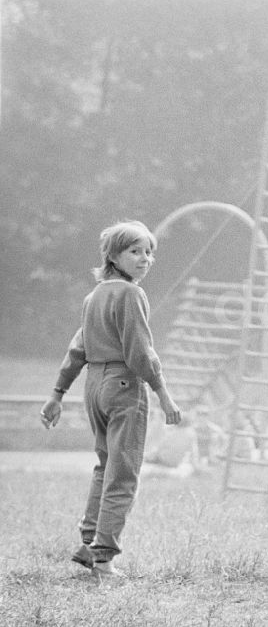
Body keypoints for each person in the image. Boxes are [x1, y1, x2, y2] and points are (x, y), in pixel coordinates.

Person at [39, 220, 182, 580]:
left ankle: (90, 542)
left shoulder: (95, 296)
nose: (145, 259)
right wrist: (162, 392)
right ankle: (104, 557)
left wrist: (57, 394)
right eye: (135, 251)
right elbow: (139, 351)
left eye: (149, 252)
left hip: (94, 385)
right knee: (124, 472)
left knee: (105, 465)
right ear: (113, 256)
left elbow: (78, 348)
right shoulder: (131, 295)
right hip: (123, 385)